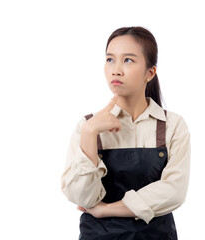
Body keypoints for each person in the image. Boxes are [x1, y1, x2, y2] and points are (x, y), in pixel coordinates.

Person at [60, 26, 191, 240]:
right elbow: (82, 197)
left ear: (150, 72)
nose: (116, 69)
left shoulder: (172, 125)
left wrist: (106, 210)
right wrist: (90, 133)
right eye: (110, 59)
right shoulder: (86, 126)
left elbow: (174, 192)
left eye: (128, 60)